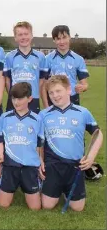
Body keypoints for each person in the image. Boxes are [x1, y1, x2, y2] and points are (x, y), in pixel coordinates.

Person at [39, 75, 103, 212]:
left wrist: (91, 157)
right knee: (47, 206)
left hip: (75, 166)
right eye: (51, 93)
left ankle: (65, 189)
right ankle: (51, 186)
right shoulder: (43, 115)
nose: (55, 95)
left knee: (77, 208)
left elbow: (98, 134)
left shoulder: (82, 112)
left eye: (58, 91)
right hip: (53, 165)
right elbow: (39, 142)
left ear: (69, 90)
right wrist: (40, 161)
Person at [0, 82, 43, 210]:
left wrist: (40, 163)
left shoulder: (37, 119)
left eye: (20, 98)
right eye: (13, 98)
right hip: (10, 165)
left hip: (30, 166)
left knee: (35, 208)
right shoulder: (4, 118)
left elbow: (39, 145)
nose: (16, 102)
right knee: (3, 205)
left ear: (29, 99)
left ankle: (37, 184)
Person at [4, 21, 49, 113]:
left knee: (32, 126)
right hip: (15, 100)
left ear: (31, 35)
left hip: (33, 99)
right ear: (15, 38)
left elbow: (42, 80)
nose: (23, 37)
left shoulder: (40, 56)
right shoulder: (9, 56)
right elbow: (7, 81)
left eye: (26, 34)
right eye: (20, 35)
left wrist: (33, 92)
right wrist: (14, 95)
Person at [45, 25, 89, 106]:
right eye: (58, 39)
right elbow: (43, 84)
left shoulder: (78, 59)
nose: (62, 42)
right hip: (54, 100)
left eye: (64, 37)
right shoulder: (47, 59)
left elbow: (85, 84)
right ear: (54, 40)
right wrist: (46, 105)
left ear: (69, 37)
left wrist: (82, 87)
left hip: (72, 99)